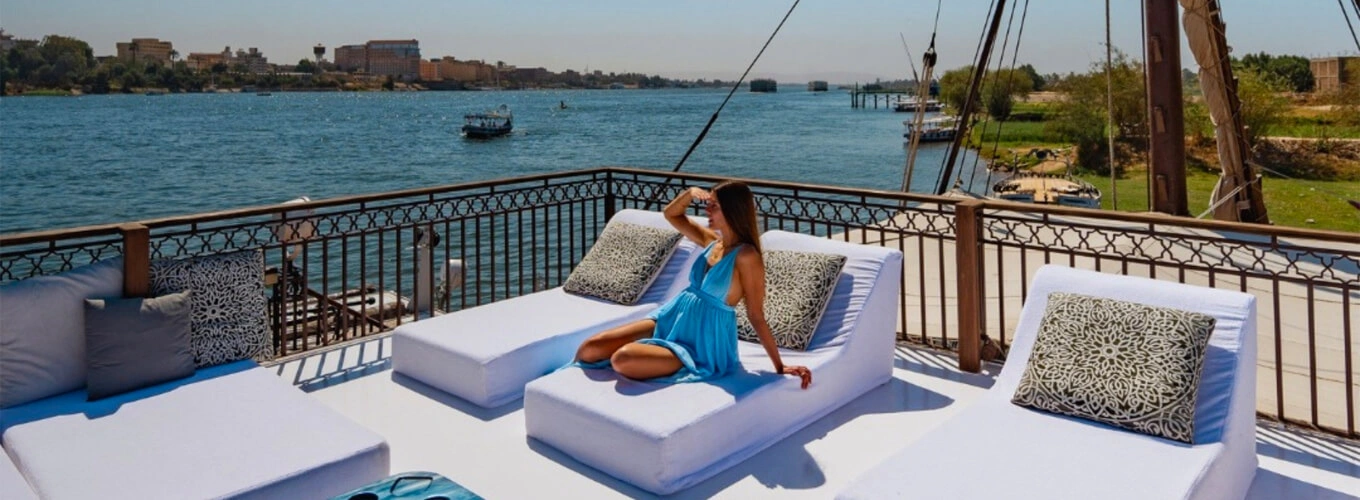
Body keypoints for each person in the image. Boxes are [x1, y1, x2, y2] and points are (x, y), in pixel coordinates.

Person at [572, 181, 813, 389]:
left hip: (703, 340)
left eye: (714, 205)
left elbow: (755, 313)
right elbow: (672, 215)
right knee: (590, 349)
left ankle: (666, 355)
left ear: (732, 210)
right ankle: (654, 350)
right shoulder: (712, 241)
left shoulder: (746, 256)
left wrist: (780, 366)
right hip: (673, 316)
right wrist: (689, 194)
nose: (707, 209)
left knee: (622, 360)